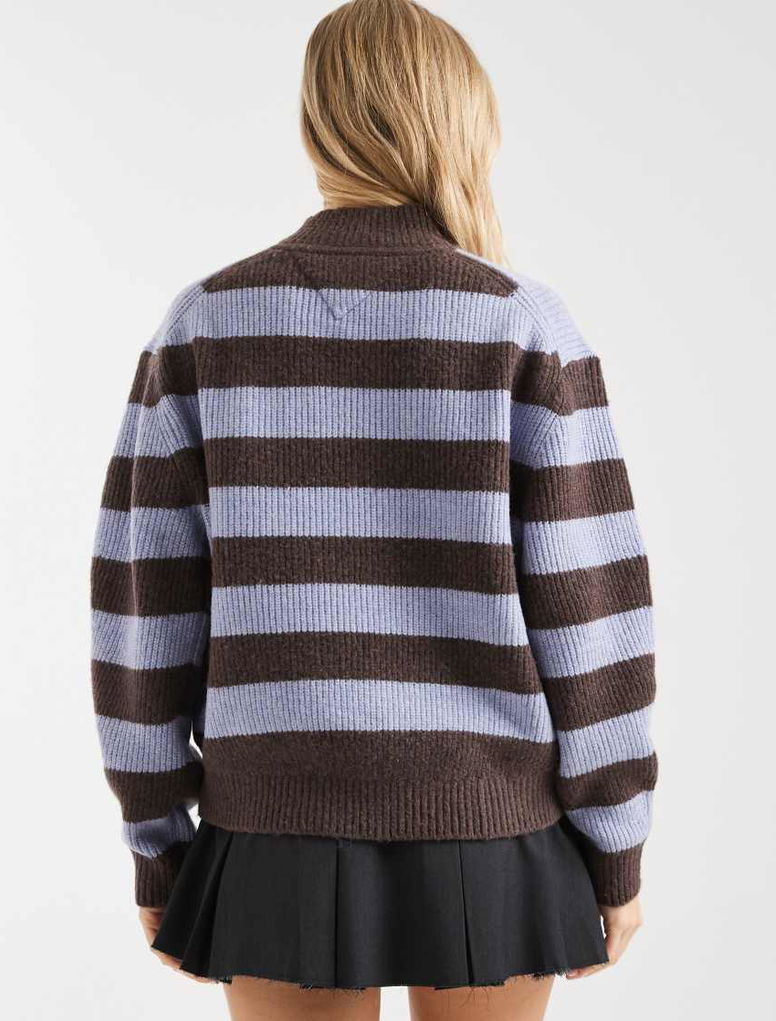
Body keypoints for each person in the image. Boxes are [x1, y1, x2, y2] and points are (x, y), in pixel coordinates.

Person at [90, 1, 657, 1017]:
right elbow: (592, 608)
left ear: (317, 126)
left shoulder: (204, 324)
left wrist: (156, 838)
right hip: (491, 828)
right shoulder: (519, 322)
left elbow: (142, 611)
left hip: (270, 828)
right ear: (462, 119)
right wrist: (615, 846)